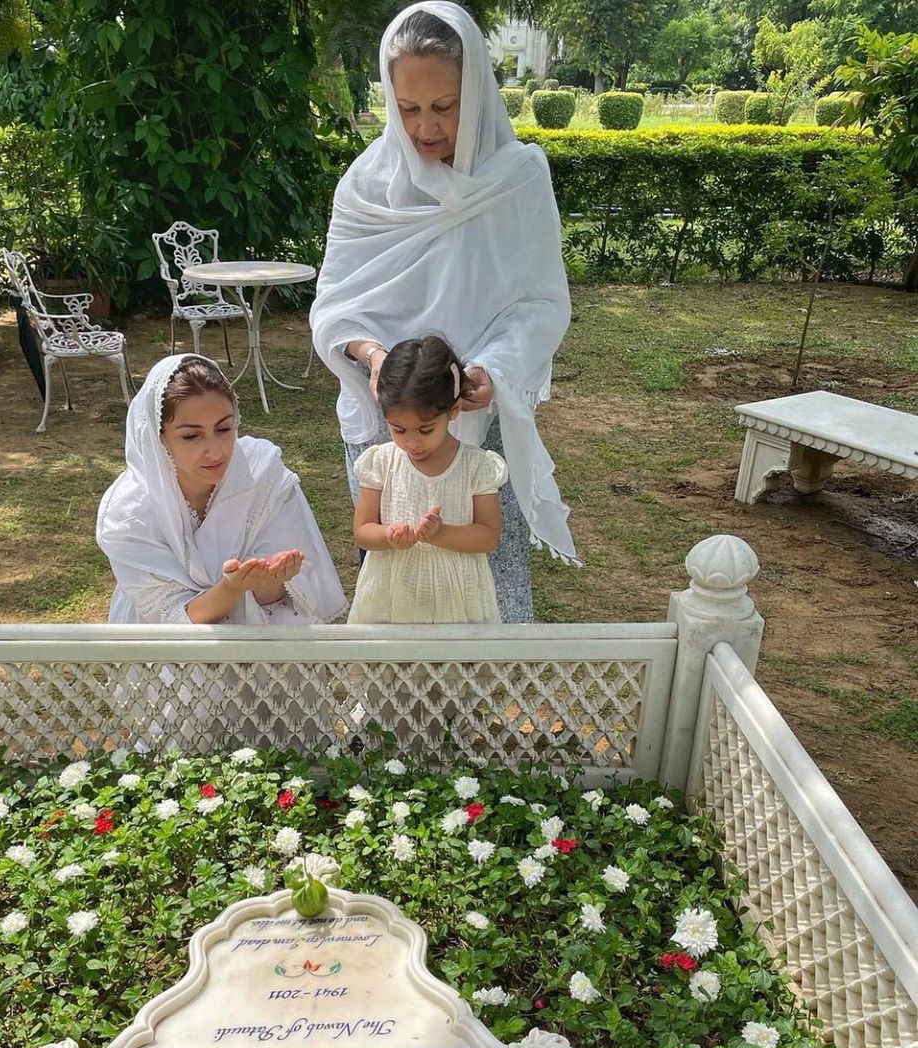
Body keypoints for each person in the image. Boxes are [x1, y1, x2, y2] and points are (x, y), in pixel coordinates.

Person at [310, 0, 579, 624]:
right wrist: (372, 357)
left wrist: (491, 370)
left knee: (485, 560)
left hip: (476, 422)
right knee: (395, 561)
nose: (425, 128)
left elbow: (541, 301)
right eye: (407, 110)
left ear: (478, 94)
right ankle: (391, 707)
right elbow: (334, 306)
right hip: (390, 424)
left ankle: (483, 705)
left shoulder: (516, 178)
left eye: (444, 107)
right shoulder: (365, 184)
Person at [96, 353, 346, 625]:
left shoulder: (263, 473)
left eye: (224, 428)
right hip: (167, 645)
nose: (215, 451)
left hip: (262, 628)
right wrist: (232, 588)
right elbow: (172, 619)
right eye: (192, 436)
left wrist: (270, 581)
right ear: (158, 438)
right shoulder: (128, 513)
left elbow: (288, 593)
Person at [348, 336, 506, 624]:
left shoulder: (476, 466)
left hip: (457, 600)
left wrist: (440, 534)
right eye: (398, 430)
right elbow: (362, 530)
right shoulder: (381, 463)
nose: (412, 442)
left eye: (425, 430)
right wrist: (388, 536)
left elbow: (488, 535)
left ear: (454, 411)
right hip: (392, 597)